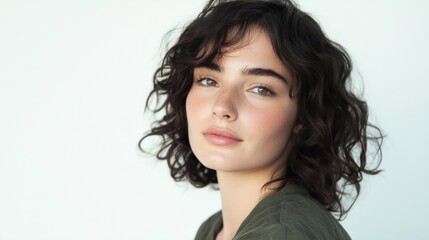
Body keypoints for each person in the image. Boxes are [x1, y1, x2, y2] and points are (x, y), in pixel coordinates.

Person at [139, 0, 383, 239]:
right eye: (208, 80)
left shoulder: (282, 233)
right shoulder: (215, 229)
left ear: (304, 116)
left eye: (260, 89)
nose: (222, 107)